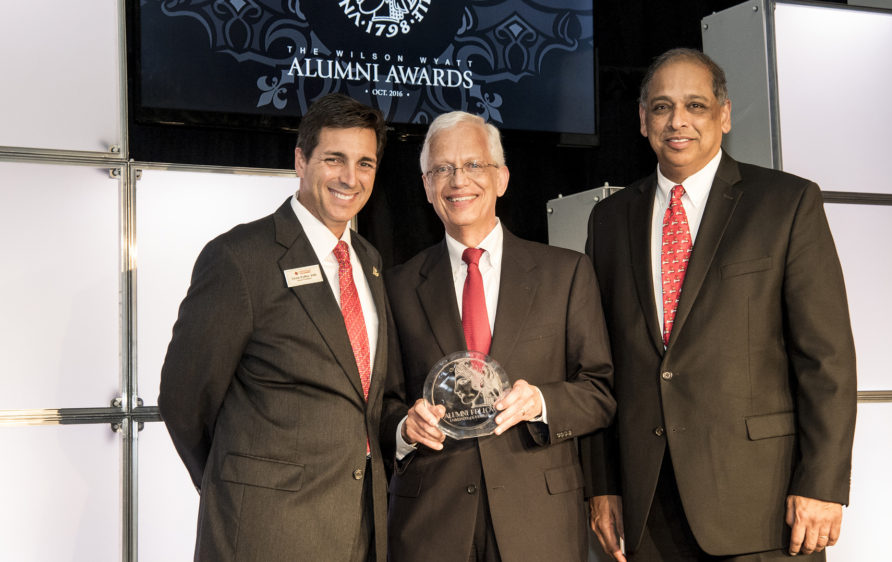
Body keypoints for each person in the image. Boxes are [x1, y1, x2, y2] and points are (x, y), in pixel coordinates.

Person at [583, 48, 857, 561]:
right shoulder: (609, 220)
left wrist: (822, 483)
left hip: (763, 505)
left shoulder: (786, 203)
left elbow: (827, 359)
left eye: (696, 105)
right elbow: (598, 367)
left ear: (724, 115)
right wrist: (602, 484)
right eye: (661, 107)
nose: (677, 121)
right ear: (642, 120)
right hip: (647, 509)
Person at [158, 93, 393, 561]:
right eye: (334, 159)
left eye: (365, 163)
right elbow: (184, 399)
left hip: (361, 526)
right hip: (266, 530)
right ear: (301, 161)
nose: (351, 177)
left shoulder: (369, 261)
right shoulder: (240, 258)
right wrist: (237, 480)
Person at [380, 111, 616, 561]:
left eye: (473, 165)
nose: (457, 180)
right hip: (431, 524)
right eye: (441, 169)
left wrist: (541, 402)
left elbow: (599, 391)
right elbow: (382, 404)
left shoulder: (564, 274)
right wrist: (404, 429)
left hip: (538, 521)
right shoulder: (396, 286)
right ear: (427, 187)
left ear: (502, 178)